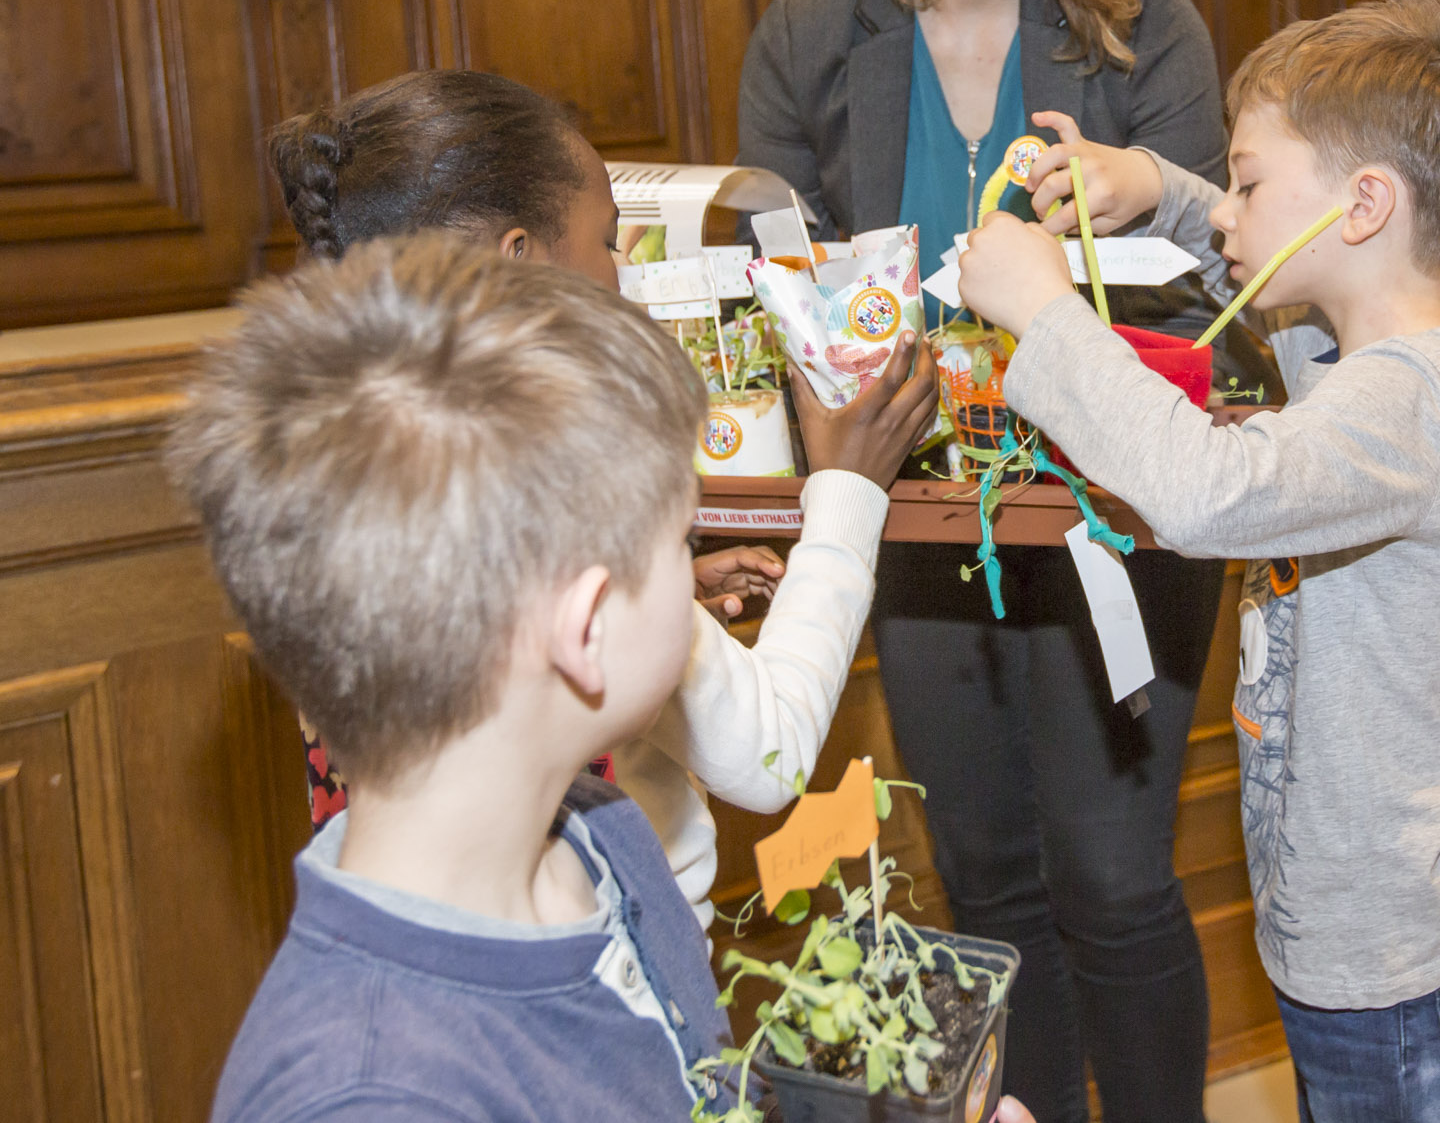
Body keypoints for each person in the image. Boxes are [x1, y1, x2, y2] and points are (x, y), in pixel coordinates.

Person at [732, 0, 1243, 1122]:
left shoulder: (1144, 20)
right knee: (991, 876)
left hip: (1106, 509)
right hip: (910, 507)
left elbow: (1215, 283)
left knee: (1115, 877)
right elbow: (783, 283)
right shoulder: (811, 30)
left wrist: (1133, 200)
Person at [957, 0, 1440, 1123]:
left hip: (1406, 965)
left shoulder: (1407, 401)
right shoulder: (1348, 343)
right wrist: (1149, 186)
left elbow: (1206, 494)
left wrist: (1046, 313)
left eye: (1249, 181)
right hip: (1354, 940)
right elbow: (1251, 271)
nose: (1227, 213)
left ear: (1363, 206)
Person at [268, 69, 940, 920]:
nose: (624, 273)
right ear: (522, 267)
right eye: (609, 242)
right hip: (611, 985)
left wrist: (660, 597)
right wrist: (847, 490)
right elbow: (767, 755)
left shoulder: (356, 474)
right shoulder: (561, 497)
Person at [180, 235, 734, 1121]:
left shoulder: (605, 840)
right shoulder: (372, 1094)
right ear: (584, 628)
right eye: (684, 541)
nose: (692, 563)